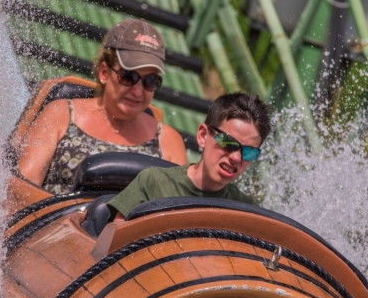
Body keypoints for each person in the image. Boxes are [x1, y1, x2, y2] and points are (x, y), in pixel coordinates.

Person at [16, 20, 187, 194]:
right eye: (128, 76)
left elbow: (178, 213)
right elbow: (21, 193)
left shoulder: (168, 142)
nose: (137, 91)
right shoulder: (61, 115)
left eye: (150, 81)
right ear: (104, 72)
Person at [109, 91, 271, 218]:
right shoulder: (153, 183)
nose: (236, 157)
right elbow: (114, 243)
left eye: (249, 152)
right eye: (228, 143)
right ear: (202, 136)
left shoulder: (248, 211)